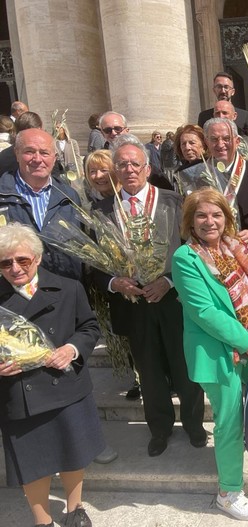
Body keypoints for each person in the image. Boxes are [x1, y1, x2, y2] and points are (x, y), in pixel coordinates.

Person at [93, 134, 206, 457]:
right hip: (133, 303)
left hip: (173, 300)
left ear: (147, 167)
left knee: (185, 367)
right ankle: (159, 428)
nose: (129, 170)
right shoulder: (101, 211)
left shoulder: (174, 200)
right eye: (122, 165)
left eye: (135, 164)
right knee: (150, 371)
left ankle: (195, 424)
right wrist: (116, 282)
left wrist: (169, 281)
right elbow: (93, 263)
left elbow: (193, 250)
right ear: (115, 170)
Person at [172, 188, 248, 521]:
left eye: (216, 214)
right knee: (228, 420)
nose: (209, 221)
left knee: (245, 413)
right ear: (190, 221)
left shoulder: (238, 247)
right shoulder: (186, 258)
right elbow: (204, 312)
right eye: (201, 215)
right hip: (217, 352)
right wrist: (247, 341)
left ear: (226, 218)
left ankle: (232, 461)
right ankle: (228, 492)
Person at [0, 223, 102, 527]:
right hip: (19, 393)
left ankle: (75, 509)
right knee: (33, 463)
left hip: (67, 387)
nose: (15, 268)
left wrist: (71, 349)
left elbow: (90, 327)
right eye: (5, 263)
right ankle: (42, 521)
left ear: (38, 258)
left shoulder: (69, 287)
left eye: (22, 260)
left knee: (73, 451)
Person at [188, 117, 248, 281]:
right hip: (210, 265)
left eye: (226, 138)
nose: (220, 144)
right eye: (214, 139)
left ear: (237, 141)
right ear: (206, 141)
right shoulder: (194, 176)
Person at [0, 128, 82, 280]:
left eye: (44, 153)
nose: (37, 159)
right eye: (29, 151)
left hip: (64, 294)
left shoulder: (70, 197)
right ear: (16, 153)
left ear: (54, 157)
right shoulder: (2, 196)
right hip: (13, 296)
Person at [197, 72, 248, 137]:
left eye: (226, 87)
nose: (223, 91)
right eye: (219, 87)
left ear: (233, 92)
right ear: (214, 90)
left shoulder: (244, 116)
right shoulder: (204, 116)